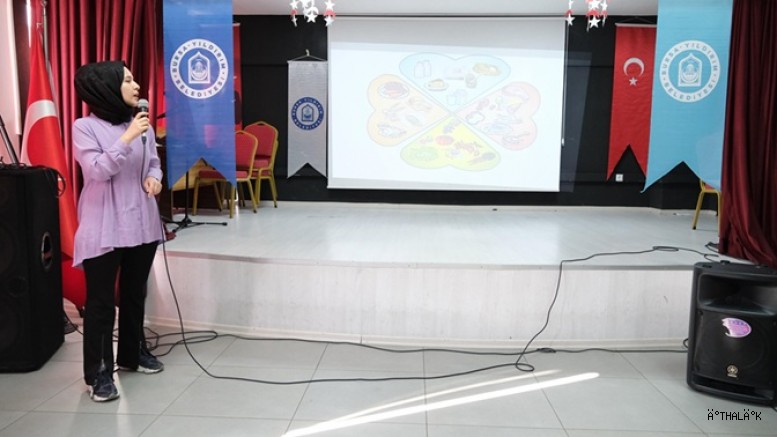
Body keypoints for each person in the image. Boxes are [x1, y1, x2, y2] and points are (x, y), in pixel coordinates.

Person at [72, 61, 165, 402]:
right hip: (104, 225)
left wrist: (155, 178)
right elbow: (98, 170)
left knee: (135, 292)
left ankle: (131, 354)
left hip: (141, 221)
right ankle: (98, 373)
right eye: (127, 80)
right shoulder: (84, 127)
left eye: (134, 79)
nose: (136, 85)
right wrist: (127, 137)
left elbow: (153, 162)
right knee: (100, 302)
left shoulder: (142, 126)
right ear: (106, 87)